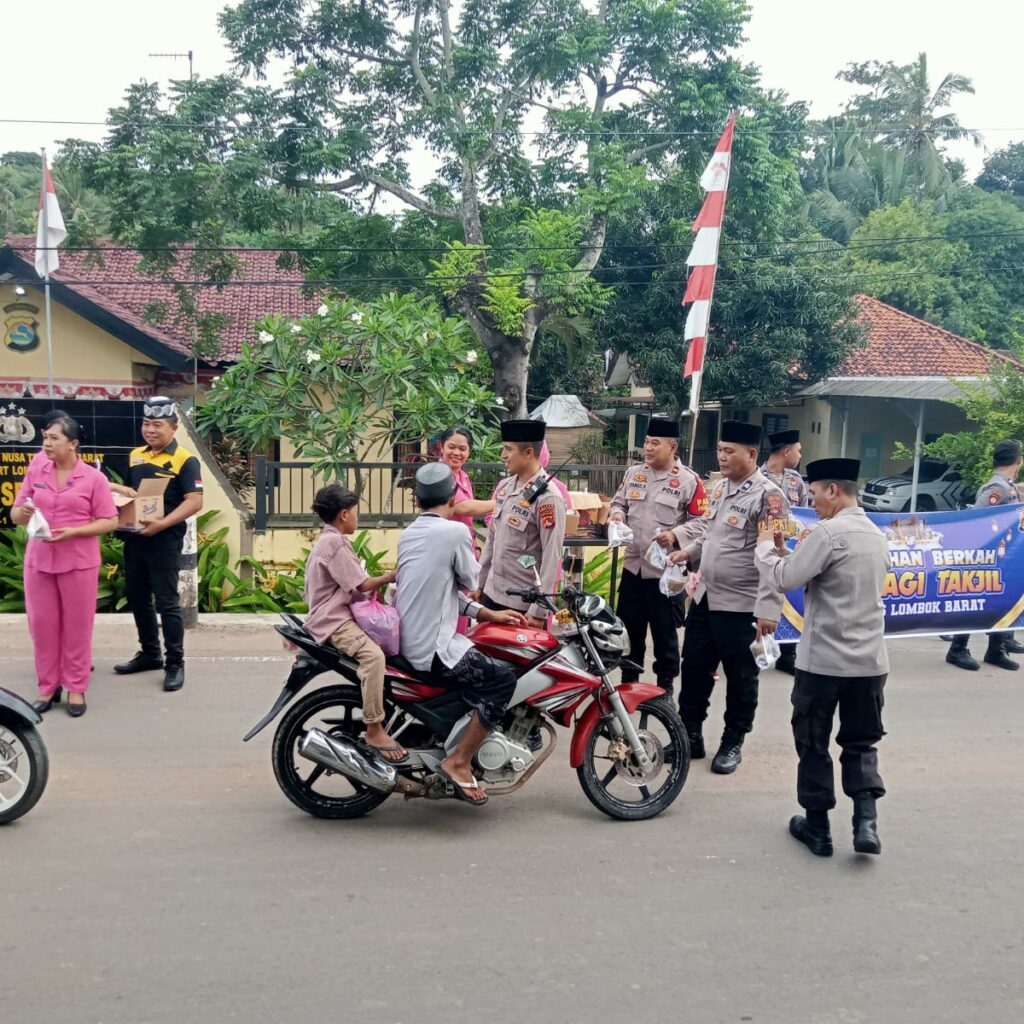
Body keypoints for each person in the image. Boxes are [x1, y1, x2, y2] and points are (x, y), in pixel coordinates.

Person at [754, 458, 889, 857]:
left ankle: (818, 829)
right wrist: (791, 553)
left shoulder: (830, 534)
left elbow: (784, 578)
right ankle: (866, 823)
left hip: (824, 663)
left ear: (833, 490)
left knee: (813, 744)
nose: (811, 502)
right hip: (869, 663)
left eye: (814, 494)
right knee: (861, 743)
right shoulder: (875, 534)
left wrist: (766, 546)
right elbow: (828, 572)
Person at [395, 463, 528, 805]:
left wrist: (489, 614)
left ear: (419, 500)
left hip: (412, 640)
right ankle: (459, 761)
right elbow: (469, 581)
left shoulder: (409, 533)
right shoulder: (455, 532)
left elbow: (446, 593)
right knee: (502, 681)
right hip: (434, 649)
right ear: (453, 497)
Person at [666, 421, 789, 774]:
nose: (721, 456)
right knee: (694, 671)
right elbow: (708, 536)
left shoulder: (770, 498)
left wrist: (768, 611)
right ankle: (690, 737)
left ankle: (733, 742)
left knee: (741, 679)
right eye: (719, 450)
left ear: (751, 454)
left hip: (742, 606)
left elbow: (775, 557)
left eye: (728, 451)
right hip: (706, 598)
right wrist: (685, 553)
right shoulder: (719, 490)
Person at [11, 414, 118, 717]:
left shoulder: (93, 478)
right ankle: (47, 686)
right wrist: (24, 511)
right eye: (45, 436)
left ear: (73, 444)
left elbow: (109, 520)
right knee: (42, 626)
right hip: (39, 560)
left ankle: (76, 687)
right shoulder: (37, 468)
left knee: (77, 627)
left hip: (78, 562)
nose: (46, 443)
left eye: (54, 438)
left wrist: (75, 532)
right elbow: (15, 513)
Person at [303, 484, 404, 760]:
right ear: (344, 514)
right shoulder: (334, 543)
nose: (358, 517)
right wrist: (391, 576)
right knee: (374, 658)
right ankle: (374, 727)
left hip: (332, 616)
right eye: (356, 512)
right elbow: (361, 585)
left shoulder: (329, 540)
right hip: (333, 621)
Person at [608, 417, 707, 693]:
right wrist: (616, 514)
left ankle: (665, 690)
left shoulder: (689, 481)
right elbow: (619, 502)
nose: (648, 448)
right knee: (630, 633)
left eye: (655, 443)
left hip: (665, 575)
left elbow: (703, 522)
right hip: (633, 569)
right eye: (646, 442)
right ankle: (629, 687)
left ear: (672, 446)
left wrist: (675, 535)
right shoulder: (633, 473)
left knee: (665, 637)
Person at [113, 397, 203, 692]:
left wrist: (163, 524)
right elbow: (131, 493)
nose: (150, 430)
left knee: (167, 602)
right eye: (146, 424)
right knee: (138, 597)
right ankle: (150, 654)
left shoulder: (184, 460)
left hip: (164, 540)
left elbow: (195, 501)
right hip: (135, 537)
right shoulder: (135, 455)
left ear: (173, 428)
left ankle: (175, 662)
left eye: (157, 425)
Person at [476, 419, 566, 628]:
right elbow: (492, 539)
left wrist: (539, 610)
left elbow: (552, 558)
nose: (503, 455)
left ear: (528, 452)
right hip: (492, 595)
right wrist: (479, 583)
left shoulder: (548, 498)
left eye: (508, 449)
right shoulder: (506, 487)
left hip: (523, 605)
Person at [945, 439, 1024, 672]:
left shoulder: (1007, 485)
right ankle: (958, 649)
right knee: (974, 600)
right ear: (1018, 460)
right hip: (987, 557)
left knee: (1002, 600)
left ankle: (996, 649)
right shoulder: (997, 489)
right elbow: (977, 520)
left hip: (1005, 557)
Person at [759, 430, 808, 677]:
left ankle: (788, 655)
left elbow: (805, 514)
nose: (800, 455)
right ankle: (756, 650)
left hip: (787, 550)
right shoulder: (758, 478)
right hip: (764, 551)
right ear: (787, 451)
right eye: (798, 450)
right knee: (759, 602)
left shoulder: (796, 480)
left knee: (791, 602)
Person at [439, 424, 495, 541]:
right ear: (442, 447)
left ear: (469, 452)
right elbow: (463, 507)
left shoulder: (463, 476)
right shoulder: (440, 474)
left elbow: (467, 519)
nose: (456, 453)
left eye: (462, 449)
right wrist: (501, 503)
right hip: (447, 545)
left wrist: (475, 546)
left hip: (465, 544)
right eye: (451, 447)